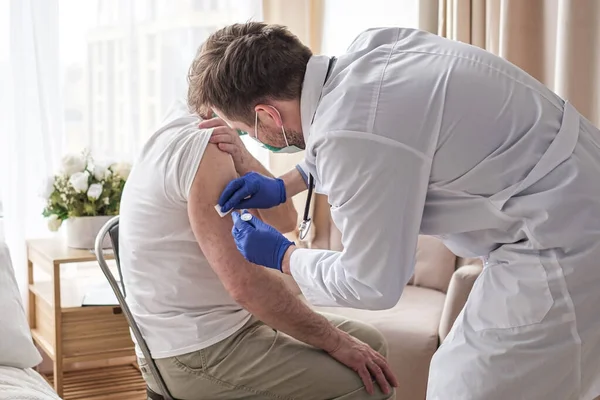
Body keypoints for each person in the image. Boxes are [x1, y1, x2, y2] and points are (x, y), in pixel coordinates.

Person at [187, 22, 600, 400]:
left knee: (467, 387)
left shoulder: (351, 133)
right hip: (569, 197)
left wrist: (282, 255)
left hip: (562, 237)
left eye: (245, 131)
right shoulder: (374, 49)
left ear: (266, 115)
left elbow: (373, 284)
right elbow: (378, 137)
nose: (252, 141)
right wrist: (285, 184)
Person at [118, 93, 398, 400]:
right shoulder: (204, 144)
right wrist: (336, 342)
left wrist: (244, 156)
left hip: (230, 327)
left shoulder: (213, 137)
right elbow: (246, 285)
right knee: (368, 382)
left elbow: (286, 218)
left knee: (372, 344)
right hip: (199, 350)